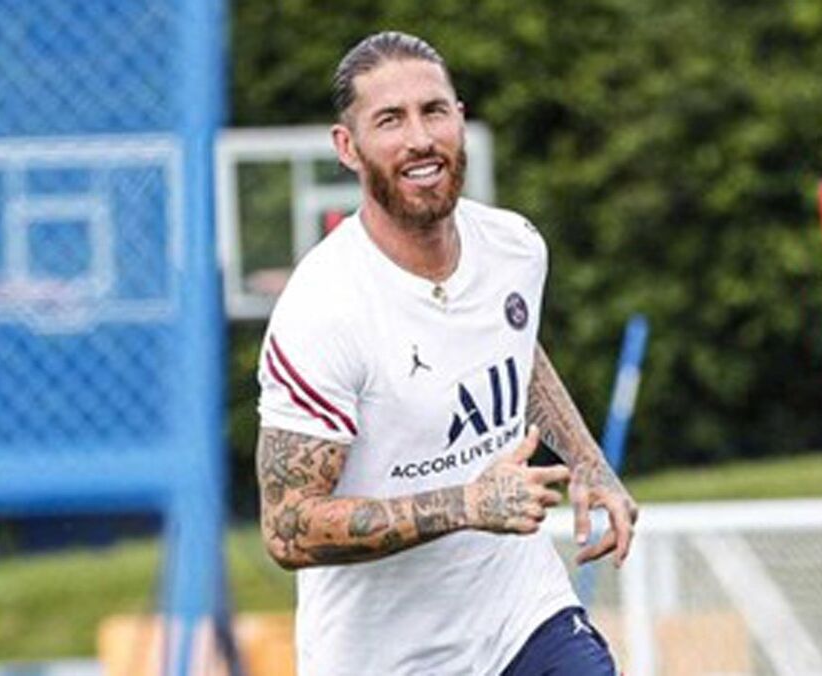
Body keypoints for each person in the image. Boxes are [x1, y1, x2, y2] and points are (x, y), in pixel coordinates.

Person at [256, 30, 639, 676]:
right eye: (390, 120)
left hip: (522, 619)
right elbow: (287, 527)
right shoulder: (322, 311)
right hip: (385, 659)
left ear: (459, 119)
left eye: (433, 111)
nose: (419, 139)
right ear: (347, 147)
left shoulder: (515, 246)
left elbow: (515, 351)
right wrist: (466, 504)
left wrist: (589, 464)